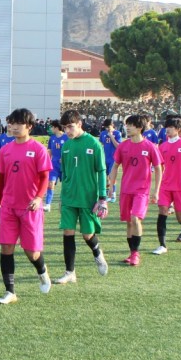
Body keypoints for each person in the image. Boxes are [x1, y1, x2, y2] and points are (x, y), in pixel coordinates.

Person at [0, 108, 52, 304]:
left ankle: (42, 271)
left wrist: (39, 197)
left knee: (32, 252)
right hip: (8, 207)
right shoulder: (5, 150)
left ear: (29, 126)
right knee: (6, 248)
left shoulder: (38, 149)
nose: (14, 126)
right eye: (12, 123)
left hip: (30, 208)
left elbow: (45, 177)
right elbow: (1, 180)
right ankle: (10, 291)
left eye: (19, 123)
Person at [55, 109, 109, 283]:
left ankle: (97, 252)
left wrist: (102, 198)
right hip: (69, 197)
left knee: (87, 234)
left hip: (88, 198)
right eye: (65, 127)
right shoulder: (66, 146)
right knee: (68, 232)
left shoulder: (93, 143)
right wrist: (62, 197)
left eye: (70, 126)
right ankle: (70, 272)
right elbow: (65, 174)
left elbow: (101, 171)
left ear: (79, 124)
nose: (67, 131)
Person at [108, 114, 162, 266]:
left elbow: (158, 169)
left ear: (139, 128)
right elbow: (115, 166)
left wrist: (156, 191)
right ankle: (132, 253)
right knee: (128, 222)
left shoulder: (150, 146)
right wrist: (111, 185)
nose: (127, 127)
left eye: (130, 125)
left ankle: (136, 253)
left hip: (142, 190)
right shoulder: (123, 146)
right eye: (127, 125)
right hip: (126, 189)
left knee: (135, 218)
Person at [152, 117, 181, 254]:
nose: (168, 130)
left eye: (171, 127)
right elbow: (160, 166)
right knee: (162, 212)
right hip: (166, 185)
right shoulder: (163, 146)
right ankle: (162, 245)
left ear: (178, 129)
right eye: (167, 127)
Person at [44, 120, 67, 211]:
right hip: (54, 165)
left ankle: (64, 203)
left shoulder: (67, 137)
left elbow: (71, 150)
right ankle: (48, 204)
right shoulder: (52, 138)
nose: (51, 129)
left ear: (56, 127)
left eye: (52, 127)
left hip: (64, 165)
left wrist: (65, 158)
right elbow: (49, 151)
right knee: (50, 184)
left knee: (65, 185)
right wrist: (48, 162)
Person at [99, 119, 122, 202]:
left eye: (108, 127)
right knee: (105, 178)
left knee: (112, 177)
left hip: (113, 159)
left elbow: (118, 146)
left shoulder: (117, 133)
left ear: (112, 125)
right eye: (106, 127)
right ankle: (107, 193)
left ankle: (113, 195)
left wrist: (111, 136)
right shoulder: (103, 133)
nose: (107, 129)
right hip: (105, 158)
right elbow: (101, 144)